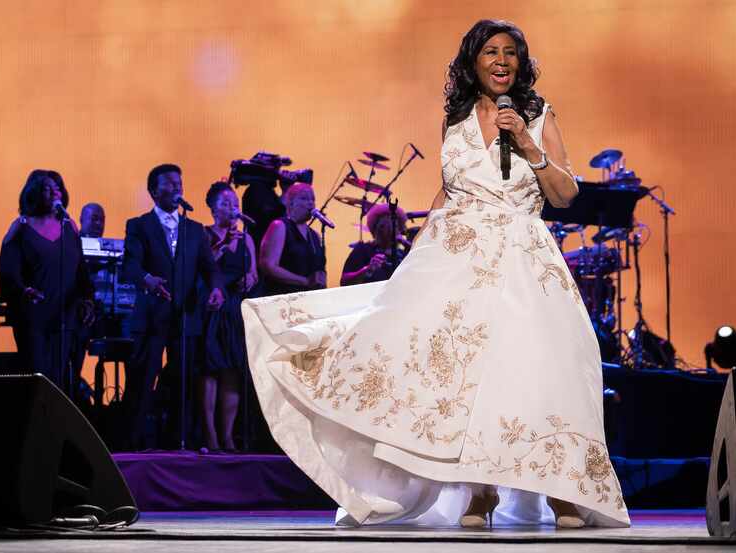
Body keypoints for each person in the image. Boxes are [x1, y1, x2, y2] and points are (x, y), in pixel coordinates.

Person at [241, 19, 629, 529]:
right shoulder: (455, 120)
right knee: (460, 373)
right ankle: (479, 489)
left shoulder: (538, 116)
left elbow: (565, 194)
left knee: (538, 364)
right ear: (473, 60)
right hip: (459, 257)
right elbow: (447, 192)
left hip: (521, 254)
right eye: (491, 51)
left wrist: (530, 148)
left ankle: (558, 488)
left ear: (521, 63)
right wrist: (417, 259)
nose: (502, 60)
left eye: (511, 52)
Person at [121, 163, 224, 451]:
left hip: (185, 316)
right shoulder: (139, 225)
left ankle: (180, 440)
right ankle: (134, 443)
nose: (176, 187)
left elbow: (209, 267)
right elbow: (130, 264)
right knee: (143, 380)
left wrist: (216, 289)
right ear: (154, 191)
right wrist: (147, 279)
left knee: (184, 381)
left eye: (179, 182)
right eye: (168, 183)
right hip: (152, 315)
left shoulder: (194, 229)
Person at [0, 169, 94, 393]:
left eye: (57, 188)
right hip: (34, 315)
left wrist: (88, 299)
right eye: (47, 188)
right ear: (34, 193)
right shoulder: (22, 226)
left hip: (65, 315)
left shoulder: (69, 227)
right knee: (38, 379)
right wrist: (23, 290)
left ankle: (55, 425)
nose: (54, 193)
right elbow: (8, 270)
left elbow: (81, 271)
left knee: (60, 380)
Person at [201, 182, 258, 452]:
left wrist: (249, 278)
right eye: (225, 203)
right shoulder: (203, 234)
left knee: (233, 373)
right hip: (212, 309)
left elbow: (255, 273)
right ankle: (210, 433)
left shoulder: (245, 238)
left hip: (235, 310)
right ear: (212, 207)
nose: (232, 208)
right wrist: (222, 246)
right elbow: (201, 267)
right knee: (211, 370)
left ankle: (228, 436)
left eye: (234, 203)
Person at [258, 183, 326, 296]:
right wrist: (304, 281)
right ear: (290, 203)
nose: (311, 202)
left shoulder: (315, 236)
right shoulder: (280, 226)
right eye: (304, 198)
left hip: (308, 298)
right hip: (282, 296)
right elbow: (268, 265)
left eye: (313, 199)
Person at [341, 203, 409, 286]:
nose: (388, 231)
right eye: (382, 227)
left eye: (395, 226)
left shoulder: (402, 254)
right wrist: (367, 270)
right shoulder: (363, 250)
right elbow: (344, 281)